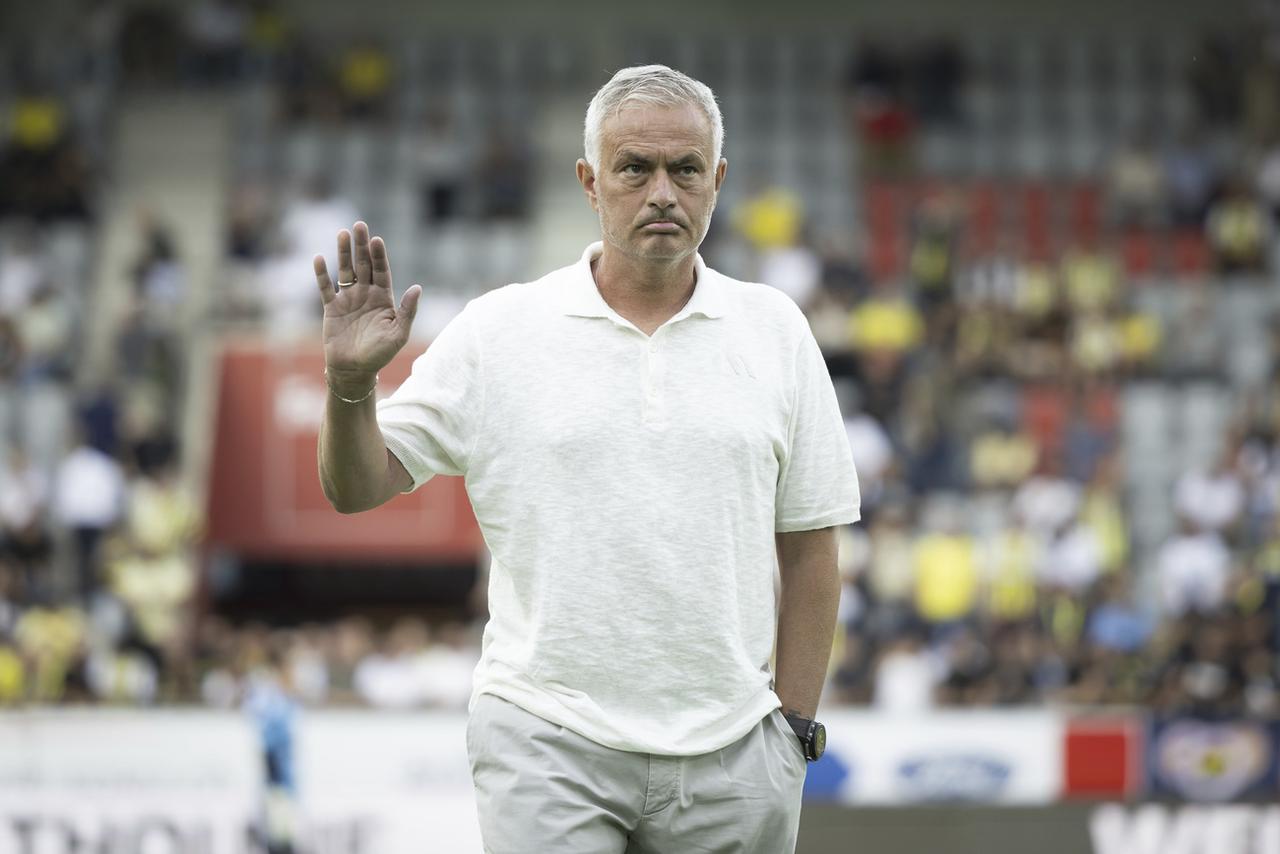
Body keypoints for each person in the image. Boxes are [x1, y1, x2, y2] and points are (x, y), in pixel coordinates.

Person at [313, 65, 860, 853]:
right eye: (634, 168)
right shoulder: (501, 330)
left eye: (686, 169)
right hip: (546, 738)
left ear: (718, 182)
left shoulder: (775, 330)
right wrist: (350, 383)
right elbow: (355, 488)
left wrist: (794, 733)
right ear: (589, 183)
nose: (662, 192)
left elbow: (813, 550)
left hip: (735, 753)